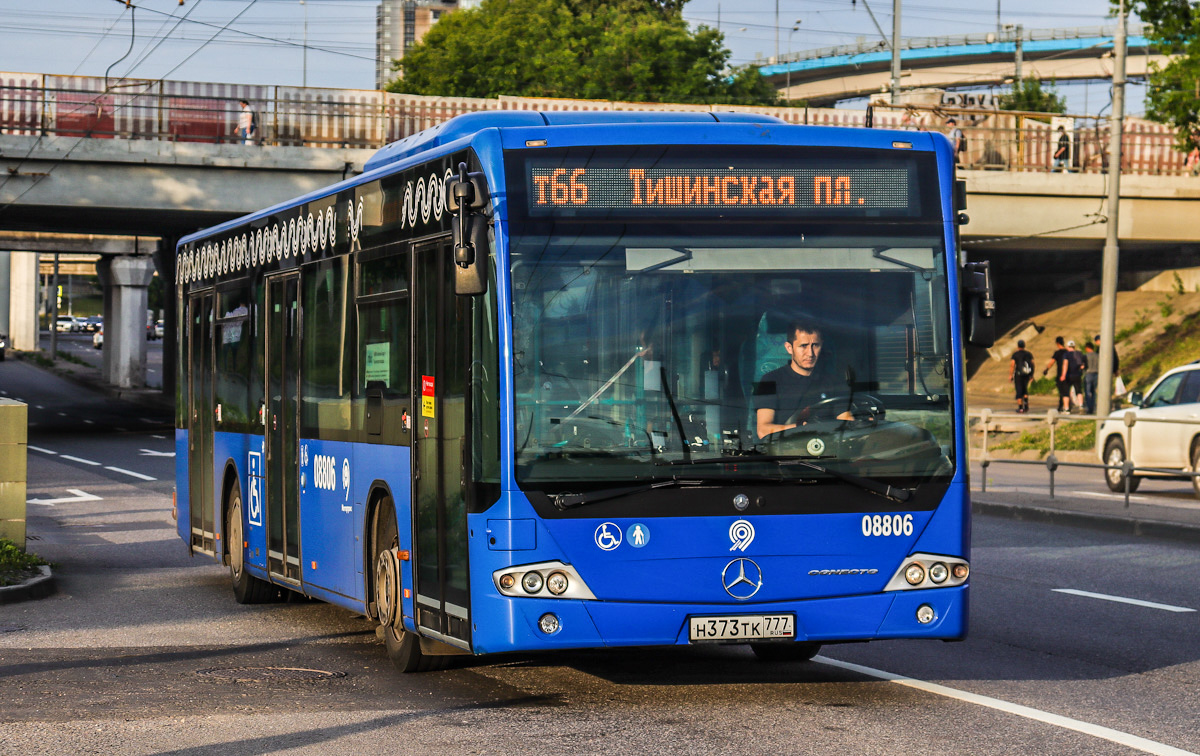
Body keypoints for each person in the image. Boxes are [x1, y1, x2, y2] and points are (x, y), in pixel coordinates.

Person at [755, 320, 852, 439]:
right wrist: (802, 428)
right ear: (789, 348)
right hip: (785, 451)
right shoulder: (769, 381)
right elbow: (763, 430)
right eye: (803, 346)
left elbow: (847, 422)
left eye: (815, 345)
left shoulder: (835, 382)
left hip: (829, 449)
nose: (810, 353)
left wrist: (860, 424)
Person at [1042, 336, 1070, 412]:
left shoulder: (1057, 353)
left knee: (1061, 391)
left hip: (1060, 374)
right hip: (1069, 374)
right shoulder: (1067, 352)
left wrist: (1046, 369)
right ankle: (1066, 406)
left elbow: (1051, 362)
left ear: (1057, 343)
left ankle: (1062, 406)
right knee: (1066, 390)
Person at [1010, 339, 1034, 413]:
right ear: (1024, 346)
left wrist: (1011, 375)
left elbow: (1012, 365)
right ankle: (1026, 404)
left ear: (1018, 346)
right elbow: (1032, 364)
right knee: (1025, 389)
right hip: (1027, 374)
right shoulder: (1029, 354)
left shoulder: (1015, 354)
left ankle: (1020, 408)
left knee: (1019, 391)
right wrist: (1031, 375)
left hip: (1019, 375)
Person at [1063, 339, 1087, 413]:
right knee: (1079, 391)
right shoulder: (1079, 353)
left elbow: (1065, 364)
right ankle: (1081, 406)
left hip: (1068, 375)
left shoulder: (1066, 354)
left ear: (1067, 347)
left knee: (1066, 392)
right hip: (1077, 375)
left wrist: (1063, 374)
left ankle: (1067, 409)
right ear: (1074, 346)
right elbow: (1082, 365)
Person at [1083, 340, 1099, 414]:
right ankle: (1093, 406)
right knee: (1094, 392)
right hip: (1096, 374)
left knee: (1087, 392)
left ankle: (1089, 408)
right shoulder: (1097, 355)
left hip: (1088, 374)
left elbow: (1083, 366)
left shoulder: (1086, 356)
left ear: (1087, 348)